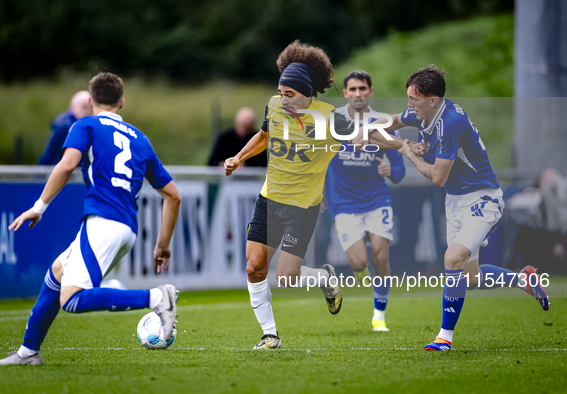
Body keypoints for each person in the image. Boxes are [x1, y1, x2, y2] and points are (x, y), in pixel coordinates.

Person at [224, 41, 405, 350]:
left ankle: (323, 277)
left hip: (302, 208)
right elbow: (264, 136)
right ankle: (270, 335)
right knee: (254, 266)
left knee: (287, 277)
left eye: (290, 95)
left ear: (307, 94)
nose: (284, 100)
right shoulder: (274, 107)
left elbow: (371, 134)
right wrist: (238, 158)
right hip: (270, 200)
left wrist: (402, 145)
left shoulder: (330, 118)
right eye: (281, 93)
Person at [355, 65, 550, 351]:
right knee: (470, 279)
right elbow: (395, 120)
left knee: (452, 259)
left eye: (414, 99)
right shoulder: (424, 112)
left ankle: (444, 338)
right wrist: (367, 130)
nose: (409, 104)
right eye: (408, 97)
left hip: (483, 199)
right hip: (456, 202)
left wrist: (407, 150)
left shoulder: (449, 123)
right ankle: (523, 279)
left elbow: (437, 177)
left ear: (433, 100)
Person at [0, 72, 181, 366]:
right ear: (122, 102)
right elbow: (173, 196)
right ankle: (29, 352)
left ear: (90, 101)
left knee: (71, 299)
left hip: (103, 222)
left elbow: (67, 165)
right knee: (56, 274)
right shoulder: (140, 138)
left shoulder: (86, 125)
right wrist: (163, 245)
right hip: (125, 228)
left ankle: (156, 298)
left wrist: (39, 207)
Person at [324, 70, 405, 332]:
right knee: (358, 262)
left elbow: (399, 167)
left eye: (362, 89)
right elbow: (319, 160)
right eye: (352, 89)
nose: (357, 94)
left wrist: (390, 171)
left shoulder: (382, 122)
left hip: (376, 198)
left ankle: (379, 315)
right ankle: (361, 270)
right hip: (343, 201)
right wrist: (318, 193)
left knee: (381, 257)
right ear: (345, 93)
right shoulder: (333, 121)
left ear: (370, 91)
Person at [39, 91, 92, 165]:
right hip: (53, 171)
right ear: (73, 106)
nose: (87, 112)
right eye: (84, 107)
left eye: (90, 108)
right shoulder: (66, 126)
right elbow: (70, 160)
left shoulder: (66, 122)